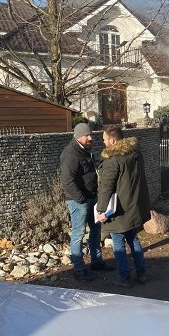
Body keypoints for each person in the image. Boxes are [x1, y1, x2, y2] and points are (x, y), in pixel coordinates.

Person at [96, 125, 150, 288]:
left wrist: (101, 210)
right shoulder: (135, 153)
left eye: (104, 139)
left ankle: (124, 278)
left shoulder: (113, 160)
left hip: (118, 210)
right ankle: (142, 273)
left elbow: (106, 187)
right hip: (133, 206)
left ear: (112, 140)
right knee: (133, 238)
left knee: (118, 242)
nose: (103, 142)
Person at [60, 122, 113, 282]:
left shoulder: (85, 150)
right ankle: (79, 268)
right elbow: (67, 181)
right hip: (79, 201)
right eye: (87, 135)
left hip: (91, 197)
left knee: (96, 230)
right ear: (78, 137)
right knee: (78, 234)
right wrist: (81, 199)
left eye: (90, 135)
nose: (90, 138)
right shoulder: (70, 154)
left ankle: (96, 262)